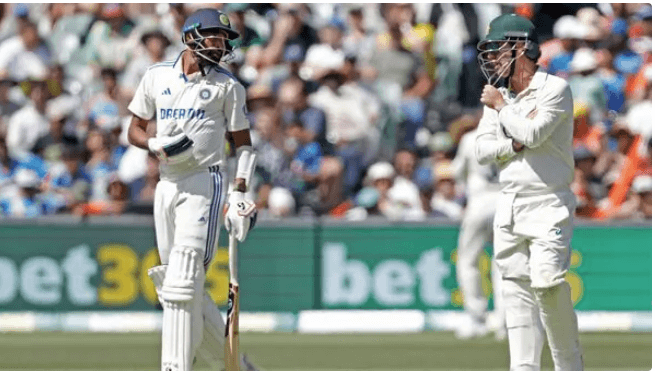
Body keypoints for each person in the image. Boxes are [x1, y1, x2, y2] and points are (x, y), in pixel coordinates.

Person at [126, 8, 259, 371]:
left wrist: (240, 191)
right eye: (214, 37)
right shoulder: (156, 77)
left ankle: (175, 367)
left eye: (224, 41)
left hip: (205, 181)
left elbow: (244, 145)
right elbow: (134, 129)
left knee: (185, 275)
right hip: (166, 183)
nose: (220, 47)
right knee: (178, 283)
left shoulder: (228, 86)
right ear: (190, 37)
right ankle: (237, 366)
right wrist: (154, 144)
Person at [475, 14, 583, 371]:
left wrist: (503, 111)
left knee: (547, 285)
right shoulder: (500, 95)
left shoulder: (554, 89)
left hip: (549, 201)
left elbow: (534, 134)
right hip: (510, 204)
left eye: (496, 49)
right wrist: (513, 145)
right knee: (515, 292)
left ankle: (569, 366)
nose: (490, 58)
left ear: (520, 47)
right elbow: (482, 150)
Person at [451, 128, 505, 340]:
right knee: (504, 263)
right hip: (505, 201)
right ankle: (506, 322)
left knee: (468, 260)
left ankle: (476, 318)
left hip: (480, 202)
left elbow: (457, 173)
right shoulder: (512, 135)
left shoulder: (469, 138)